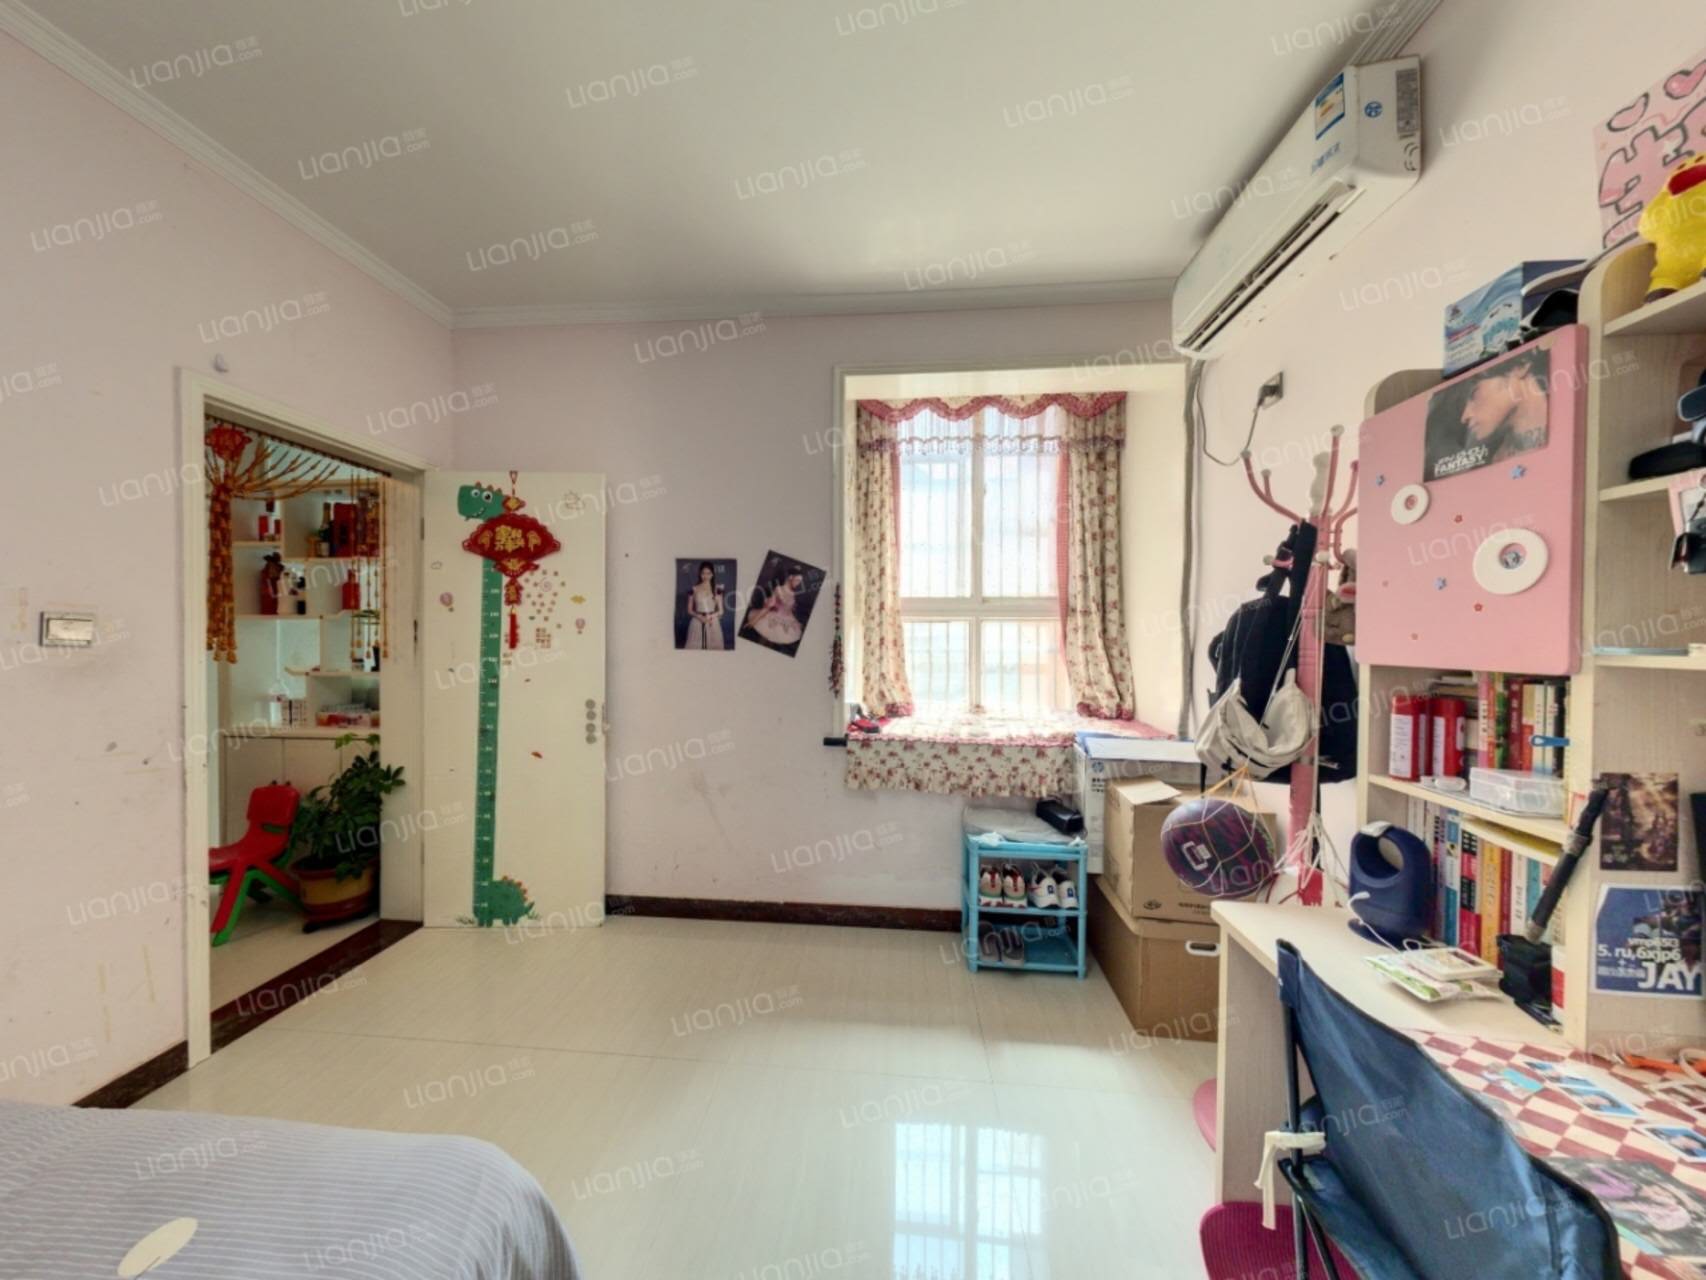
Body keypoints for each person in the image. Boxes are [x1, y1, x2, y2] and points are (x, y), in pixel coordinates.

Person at [744, 567, 806, 647]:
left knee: (773, 644)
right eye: (797, 580)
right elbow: (767, 607)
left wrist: (794, 620)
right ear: (790, 577)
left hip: (785, 621)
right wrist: (753, 621)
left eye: (800, 581)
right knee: (763, 642)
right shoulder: (779, 589)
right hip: (772, 619)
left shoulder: (793, 593)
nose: (798, 583)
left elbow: (788, 610)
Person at [683, 561, 725, 650]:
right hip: (697, 622)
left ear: (712, 574)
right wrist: (700, 617)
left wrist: (710, 616)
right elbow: (689, 610)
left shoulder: (717, 589)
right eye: (703, 573)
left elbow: (721, 611)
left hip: (712, 622)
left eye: (708, 573)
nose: (705, 576)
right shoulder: (693, 589)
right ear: (700, 574)